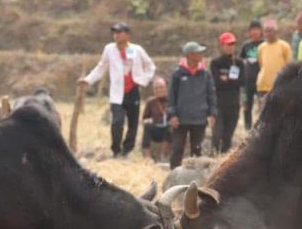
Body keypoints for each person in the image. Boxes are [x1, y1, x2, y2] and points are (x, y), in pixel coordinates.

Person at [79, 22, 157, 157]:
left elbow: (151, 66)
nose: (116, 35)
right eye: (115, 33)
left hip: (133, 90)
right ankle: (116, 150)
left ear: (127, 35)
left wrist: (143, 80)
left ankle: (127, 150)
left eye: (119, 32)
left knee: (133, 124)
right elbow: (101, 67)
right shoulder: (109, 49)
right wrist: (88, 80)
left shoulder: (136, 50)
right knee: (117, 122)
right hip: (117, 93)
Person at [167, 42, 217, 169]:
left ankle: (195, 178)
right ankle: (174, 173)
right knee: (177, 148)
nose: (201, 55)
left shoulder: (205, 74)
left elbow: (211, 94)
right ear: (190, 55)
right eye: (198, 52)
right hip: (181, 119)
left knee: (197, 150)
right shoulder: (178, 74)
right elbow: (172, 96)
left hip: (200, 118)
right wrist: (172, 115)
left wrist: (212, 113)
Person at [210, 32, 243, 153]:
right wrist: (231, 80)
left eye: (232, 44)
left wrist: (226, 79)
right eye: (228, 44)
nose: (230, 47)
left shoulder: (239, 63)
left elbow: (242, 81)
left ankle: (224, 162)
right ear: (221, 45)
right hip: (219, 104)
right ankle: (213, 157)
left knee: (228, 136)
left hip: (234, 104)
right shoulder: (216, 63)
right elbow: (217, 83)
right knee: (217, 135)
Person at [255, 19, 292, 106]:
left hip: (279, 87)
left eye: (270, 31)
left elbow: (289, 66)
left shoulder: (284, 46)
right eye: (266, 31)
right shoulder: (261, 47)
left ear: (275, 32)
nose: (268, 33)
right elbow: (261, 65)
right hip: (263, 86)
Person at [239, 20, 263, 131]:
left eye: (257, 29)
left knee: (262, 106)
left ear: (261, 31)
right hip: (247, 81)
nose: (254, 32)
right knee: (246, 106)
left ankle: (261, 129)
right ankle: (247, 129)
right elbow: (239, 62)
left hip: (261, 81)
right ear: (249, 32)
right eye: (252, 30)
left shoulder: (265, 44)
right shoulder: (246, 45)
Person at [141, 76, 171, 162]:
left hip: (168, 130)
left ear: (165, 88)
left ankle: (163, 156)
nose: (159, 90)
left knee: (170, 127)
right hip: (156, 130)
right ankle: (147, 157)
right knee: (147, 126)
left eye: (161, 87)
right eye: (156, 88)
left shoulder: (172, 100)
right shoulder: (150, 102)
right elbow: (144, 118)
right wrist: (147, 120)